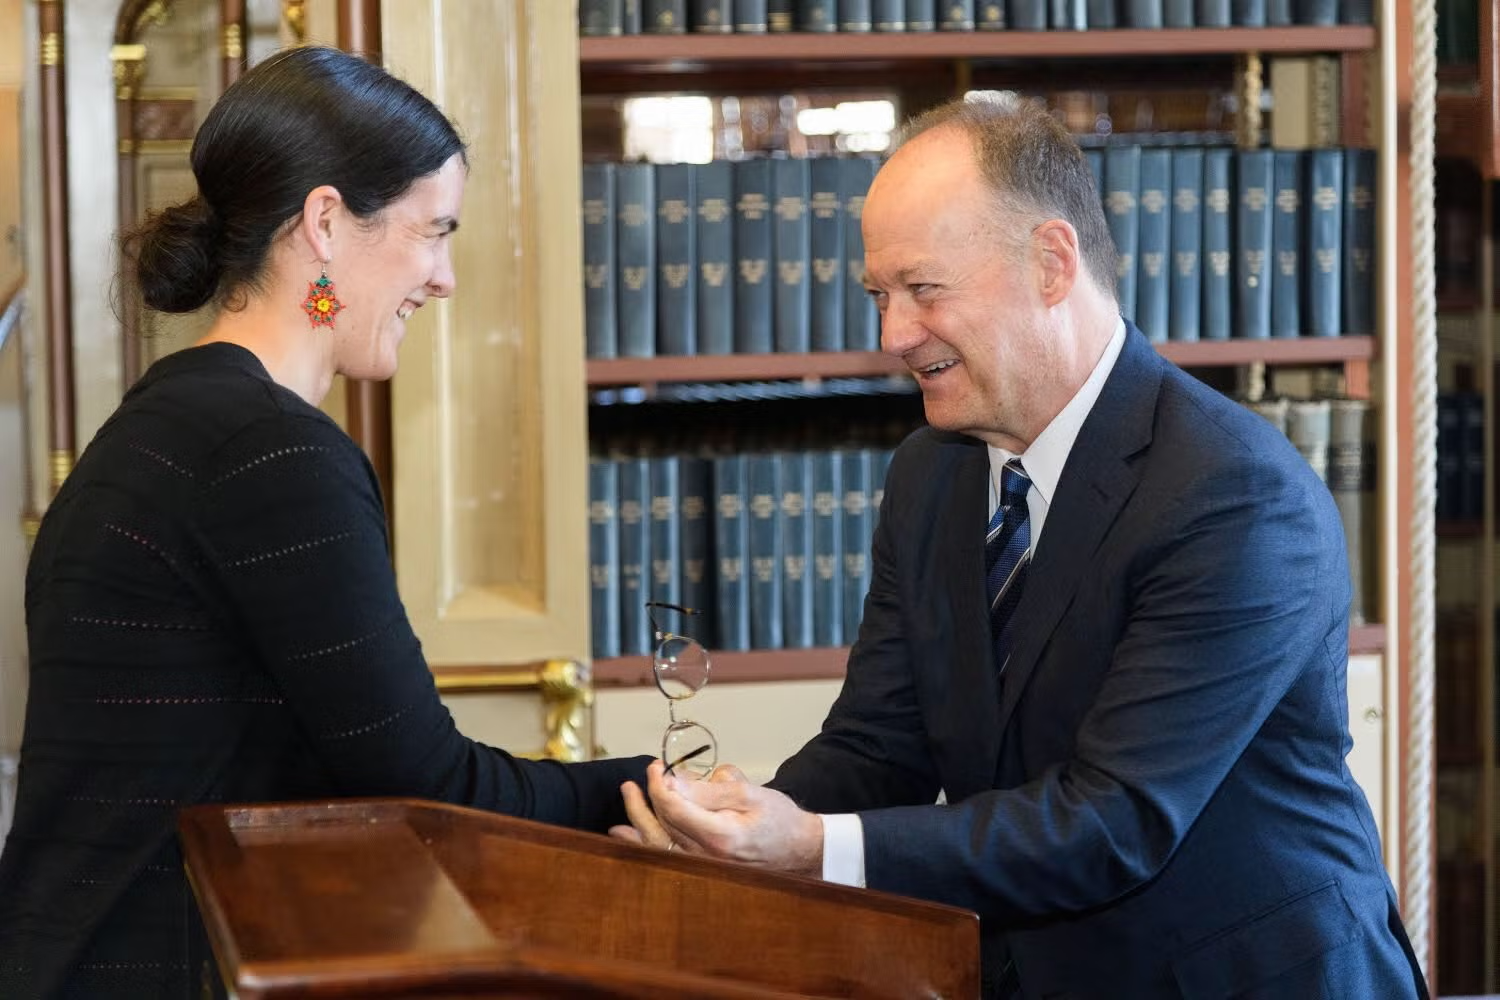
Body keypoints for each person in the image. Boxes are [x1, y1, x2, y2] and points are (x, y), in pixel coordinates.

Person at [616, 96, 1429, 1000]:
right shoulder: (931, 476)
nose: (893, 336)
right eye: (880, 297)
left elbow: (1114, 822)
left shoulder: (1232, 492)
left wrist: (808, 849)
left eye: (925, 290)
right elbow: (880, 747)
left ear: (1051, 263)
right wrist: (727, 826)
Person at [0, 46, 648, 1000]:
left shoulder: (168, 416)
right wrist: (643, 789)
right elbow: (422, 782)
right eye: (433, 232)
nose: (444, 278)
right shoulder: (270, 450)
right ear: (328, 223)